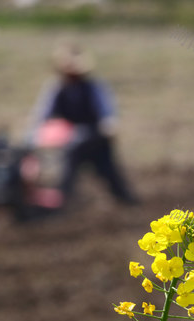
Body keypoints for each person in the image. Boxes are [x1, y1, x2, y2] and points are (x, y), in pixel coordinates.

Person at [29, 44, 140, 207]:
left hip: (95, 140)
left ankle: (129, 202)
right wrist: (35, 136)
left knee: (111, 174)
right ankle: (61, 206)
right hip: (68, 144)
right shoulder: (56, 89)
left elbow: (107, 112)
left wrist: (108, 125)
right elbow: (42, 115)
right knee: (64, 176)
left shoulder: (93, 87)